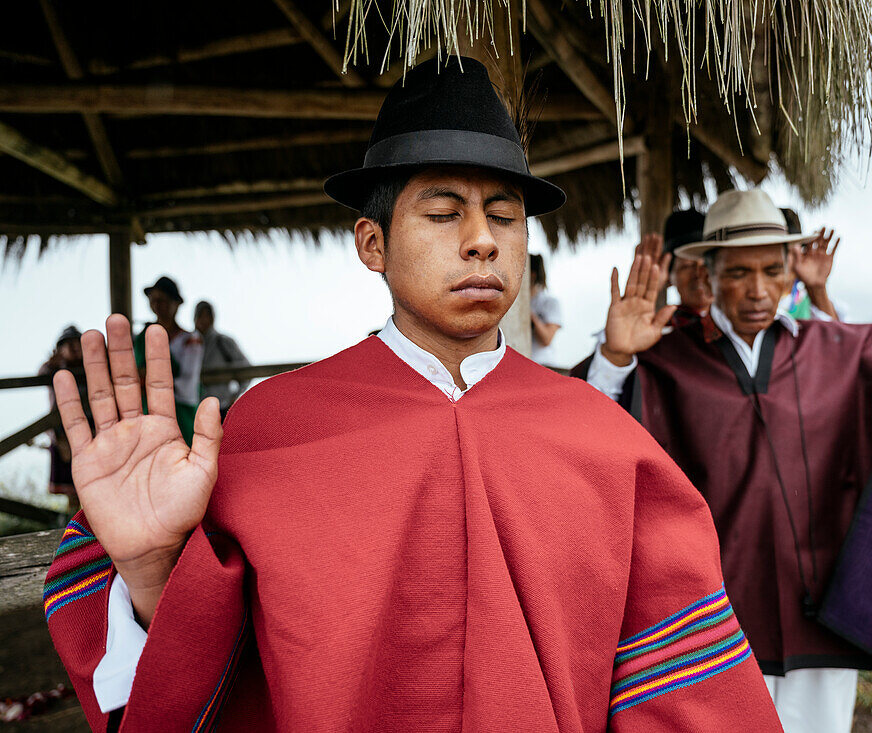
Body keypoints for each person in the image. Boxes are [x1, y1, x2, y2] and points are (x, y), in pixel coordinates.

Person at [43, 59, 782, 732]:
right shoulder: (272, 429)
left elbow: (685, 690)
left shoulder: (605, 439)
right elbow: (198, 685)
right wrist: (149, 573)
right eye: (441, 212)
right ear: (372, 244)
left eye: (503, 215)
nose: (482, 240)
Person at [583, 188, 872, 733]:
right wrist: (615, 358)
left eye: (773, 269)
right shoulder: (662, 363)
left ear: (794, 267)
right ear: (708, 274)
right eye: (739, 273)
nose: (759, 290)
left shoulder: (846, 350)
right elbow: (590, 444)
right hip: (708, 619)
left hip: (820, 613)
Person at [133, 276, 204, 445]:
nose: (158, 305)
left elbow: (188, 382)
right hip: (147, 409)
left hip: (181, 412)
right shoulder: (142, 337)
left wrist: (151, 378)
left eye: (163, 300)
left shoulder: (191, 340)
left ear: (176, 304)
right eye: (154, 300)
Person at [37, 325, 87, 513]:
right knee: (71, 489)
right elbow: (40, 373)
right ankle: (73, 525)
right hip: (61, 431)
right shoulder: (55, 369)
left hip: (89, 429)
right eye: (69, 344)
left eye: (77, 343)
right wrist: (52, 364)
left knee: (89, 481)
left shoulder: (91, 368)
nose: (74, 347)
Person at [777, 208, 849, 322]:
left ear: (800, 252)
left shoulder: (810, 303)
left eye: (788, 252)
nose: (782, 260)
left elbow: (836, 335)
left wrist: (817, 288)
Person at [194, 300, 252, 420]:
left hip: (221, 407)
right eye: (201, 315)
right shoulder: (188, 344)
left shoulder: (223, 342)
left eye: (208, 315)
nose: (204, 320)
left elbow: (247, 371)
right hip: (194, 408)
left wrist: (234, 397)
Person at [528, 253, 563, 367]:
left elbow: (546, 339)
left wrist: (529, 315)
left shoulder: (550, 302)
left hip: (543, 364)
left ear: (532, 275)